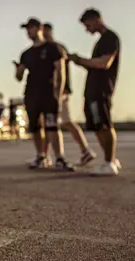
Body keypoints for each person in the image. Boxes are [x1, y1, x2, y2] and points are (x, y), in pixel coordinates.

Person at [14, 17, 74, 170]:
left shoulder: (54, 48)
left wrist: (59, 94)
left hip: (49, 92)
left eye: (31, 28)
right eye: (26, 29)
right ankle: (41, 155)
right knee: (35, 127)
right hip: (32, 94)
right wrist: (18, 70)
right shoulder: (26, 54)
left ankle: (60, 157)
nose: (28, 32)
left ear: (39, 28)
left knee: (52, 125)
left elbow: (61, 73)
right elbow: (19, 77)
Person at [69, 8, 122, 175]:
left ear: (96, 20)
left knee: (104, 125)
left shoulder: (110, 38)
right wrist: (80, 62)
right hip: (92, 89)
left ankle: (110, 162)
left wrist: (80, 60)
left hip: (101, 89)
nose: (87, 29)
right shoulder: (101, 41)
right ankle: (110, 159)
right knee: (97, 125)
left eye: (87, 25)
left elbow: (104, 63)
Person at [42, 22, 97, 166]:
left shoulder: (56, 48)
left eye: (45, 31)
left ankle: (85, 150)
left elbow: (61, 73)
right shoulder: (45, 50)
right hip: (51, 92)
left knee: (64, 121)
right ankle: (44, 155)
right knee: (49, 123)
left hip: (59, 92)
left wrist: (61, 91)